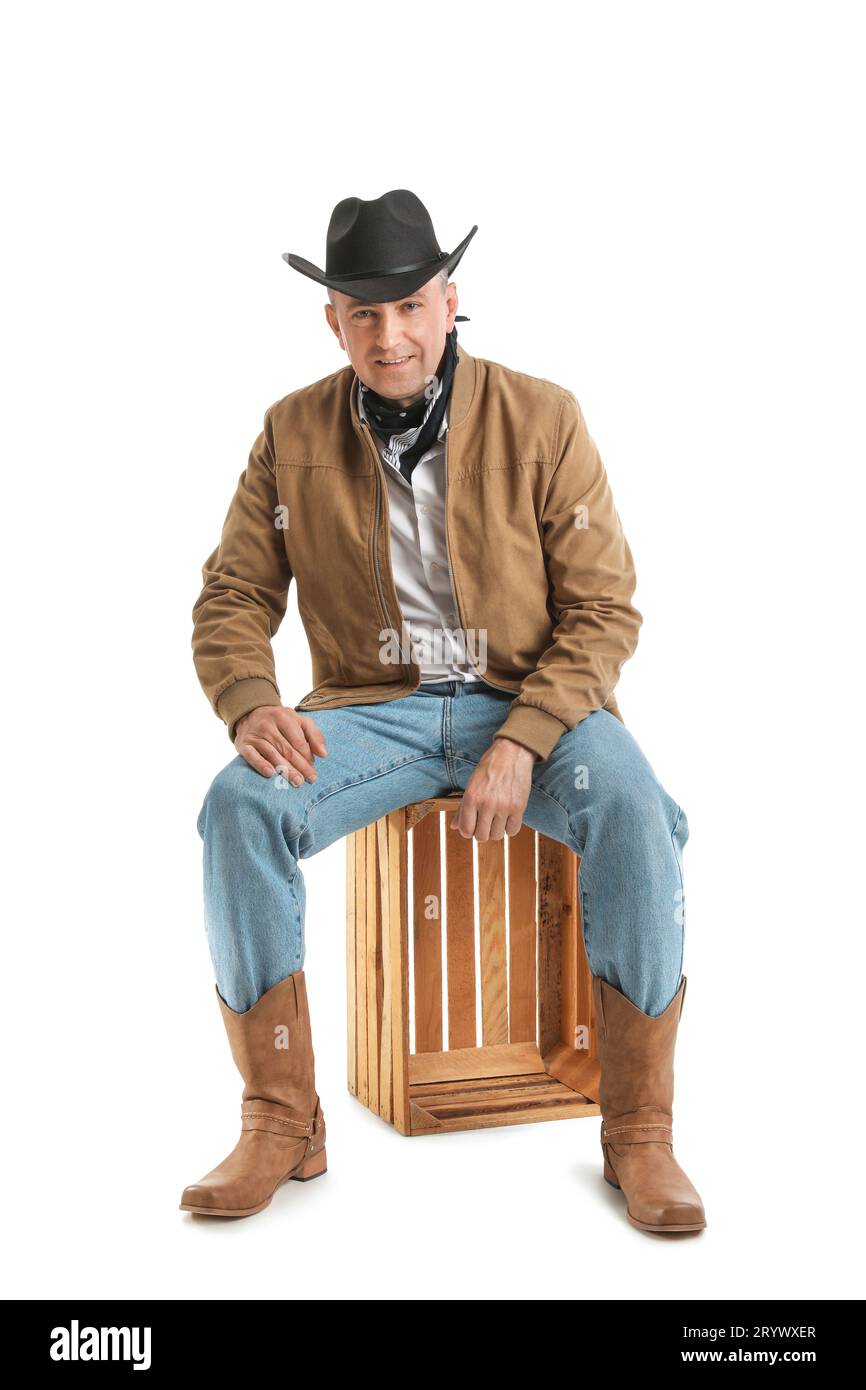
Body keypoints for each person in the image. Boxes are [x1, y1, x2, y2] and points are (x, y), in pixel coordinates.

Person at [181, 189, 706, 1234]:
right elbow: (233, 594)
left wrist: (522, 738)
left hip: (531, 704)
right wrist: (247, 701)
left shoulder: (541, 415)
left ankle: (639, 1133)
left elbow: (604, 610)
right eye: (363, 313)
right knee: (238, 807)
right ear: (332, 320)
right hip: (370, 714)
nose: (391, 335)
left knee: (638, 811)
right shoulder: (288, 432)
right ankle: (281, 1117)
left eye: (411, 306)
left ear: (451, 301)